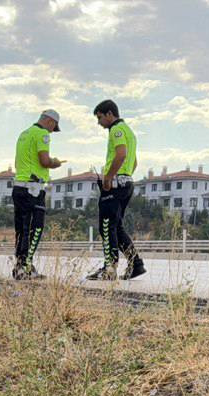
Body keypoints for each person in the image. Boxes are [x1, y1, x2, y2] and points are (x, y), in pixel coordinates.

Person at [87, 100, 146, 281]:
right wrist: (124, 177)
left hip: (115, 185)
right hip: (126, 183)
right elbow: (133, 161)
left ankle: (109, 268)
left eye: (100, 117)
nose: (99, 122)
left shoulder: (116, 130)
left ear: (109, 114)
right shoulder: (129, 131)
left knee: (106, 226)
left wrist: (109, 177)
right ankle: (136, 264)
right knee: (116, 227)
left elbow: (121, 154)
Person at [12, 109, 64, 279]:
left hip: (19, 187)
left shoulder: (24, 134)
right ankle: (25, 266)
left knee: (21, 229)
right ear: (50, 122)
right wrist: (54, 163)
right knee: (36, 228)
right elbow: (44, 160)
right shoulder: (42, 134)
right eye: (53, 128)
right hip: (33, 189)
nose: (51, 132)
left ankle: (21, 266)